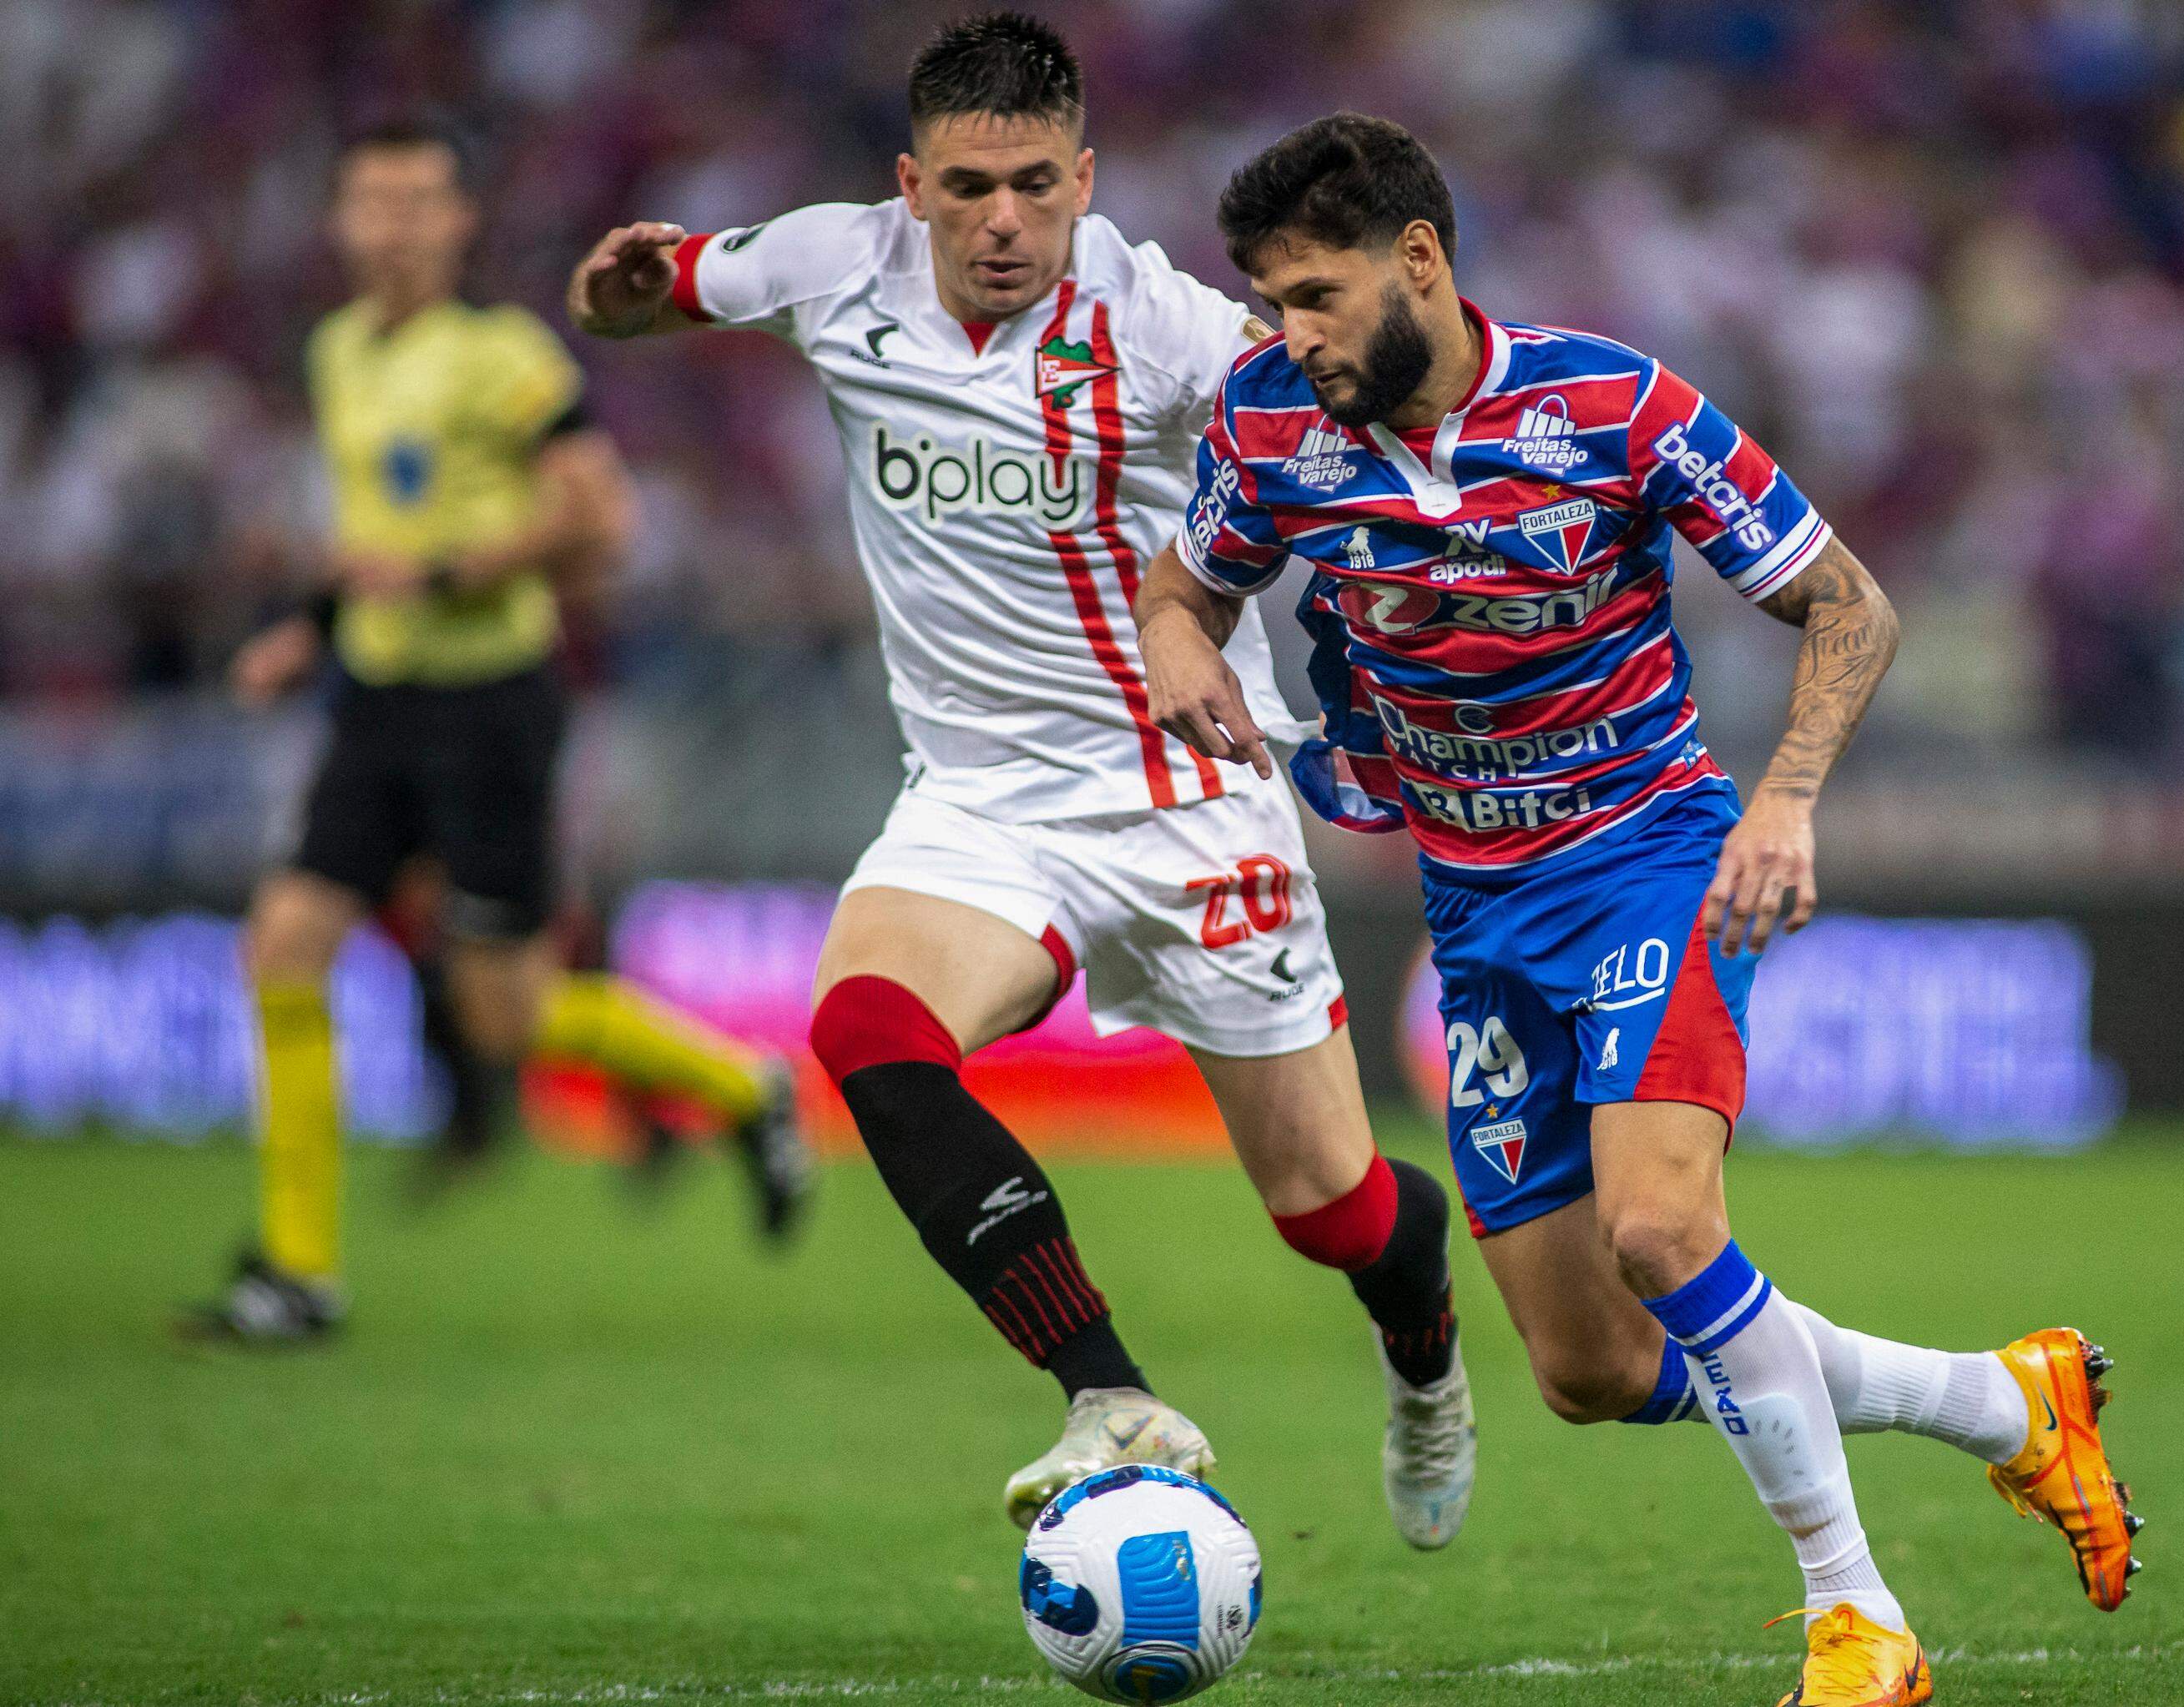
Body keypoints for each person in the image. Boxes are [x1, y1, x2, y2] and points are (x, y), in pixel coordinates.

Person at [1136, 113, 2143, 1704]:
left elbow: (1845, 602)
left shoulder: (1607, 401)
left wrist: (1787, 801)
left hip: (1645, 857)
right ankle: (2002, 1406)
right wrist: (1183, 644)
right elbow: (1186, 583)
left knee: (1663, 1226)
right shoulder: (1271, 427)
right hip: (1472, 910)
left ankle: (1856, 1617)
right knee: (1591, 1369)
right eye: (1267, 304)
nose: (1288, 335)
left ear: (1420, 262)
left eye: (1315, 295)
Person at [565, 14, 1475, 1543]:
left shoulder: (1175, 329)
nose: (1004, 221)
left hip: (1190, 798)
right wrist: (617, 293)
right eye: (972, 185)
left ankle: (1426, 1343)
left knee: (1331, 1206)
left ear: (1085, 179)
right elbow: (661, 291)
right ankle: (1107, 1393)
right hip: (979, 804)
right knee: (862, 1026)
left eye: (1037, 186)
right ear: (909, 184)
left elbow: (1359, 423)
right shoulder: (825, 265)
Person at [189, 121, 810, 1345]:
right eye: (374, 199)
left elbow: (605, 523)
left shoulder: (506, 359)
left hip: (489, 701)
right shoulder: (337, 354)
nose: (396, 223)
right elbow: (375, 531)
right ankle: (298, 1273)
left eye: (421, 200)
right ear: (341, 221)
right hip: (376, 700)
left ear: (460, 222)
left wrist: (463, 566)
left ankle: (746, 1084)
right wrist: (311, 626)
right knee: (284, 946)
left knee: (507, 1017)